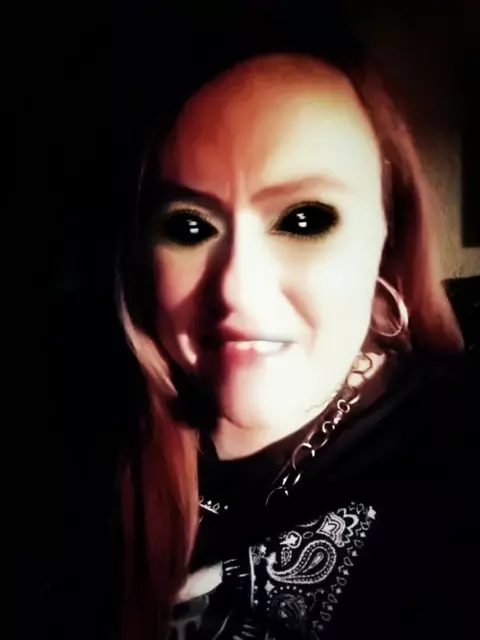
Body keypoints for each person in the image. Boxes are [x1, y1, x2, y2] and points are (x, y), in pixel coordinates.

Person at [116, 2, 478, 639]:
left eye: (304, 219)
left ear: (387, 233)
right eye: (190, 227)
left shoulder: (454, 453)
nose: (237, 289)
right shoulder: (87, 424)